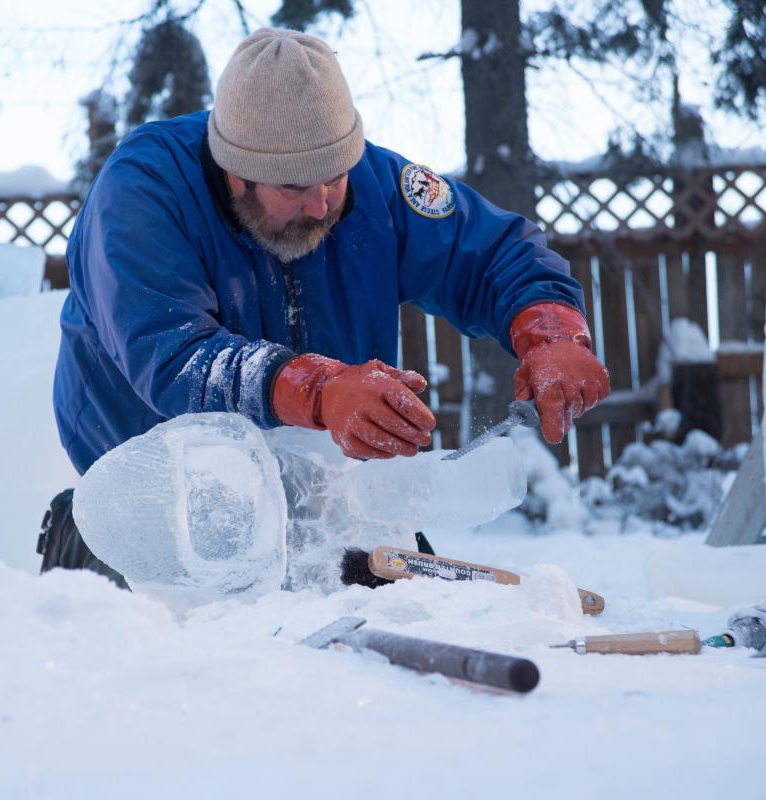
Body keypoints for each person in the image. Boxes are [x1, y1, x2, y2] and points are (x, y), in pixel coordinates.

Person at [40, 27, 610, 576]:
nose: (321, 206)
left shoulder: (378, 185)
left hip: (328, 496)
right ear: (235, 170)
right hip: (159, 497)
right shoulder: (142, 193)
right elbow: (174, 358)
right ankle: (80, 537)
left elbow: (491, 253)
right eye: (293, 188)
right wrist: (320, 390)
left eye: (335, 177)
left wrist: (553, 331)